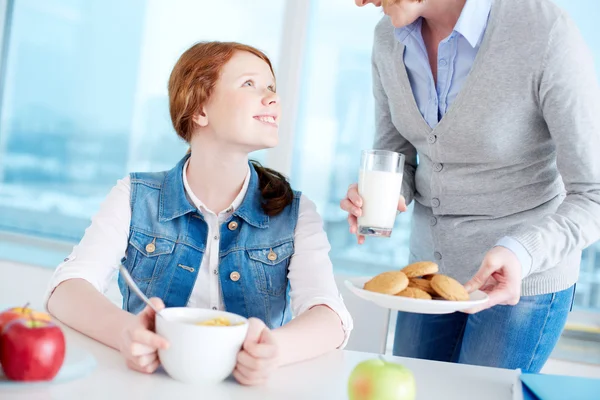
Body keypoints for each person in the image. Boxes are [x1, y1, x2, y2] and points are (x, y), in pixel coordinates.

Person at [46, 41, 353, 386]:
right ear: (199, 110)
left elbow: (330, 317)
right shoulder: (134, 196)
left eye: (271, 87)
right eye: (250, 84)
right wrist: (125, 332)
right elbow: (67, 290)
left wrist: (274, 350)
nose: (272, 97)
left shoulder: (295, 212)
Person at [342, 0, 600, 372]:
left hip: (523, 278)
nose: (360, 1)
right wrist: (384, 196)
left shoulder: (543, 31)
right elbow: (395, 155)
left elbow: (592, 193)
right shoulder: (388, 38)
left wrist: (520, 253)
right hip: (430, 277)